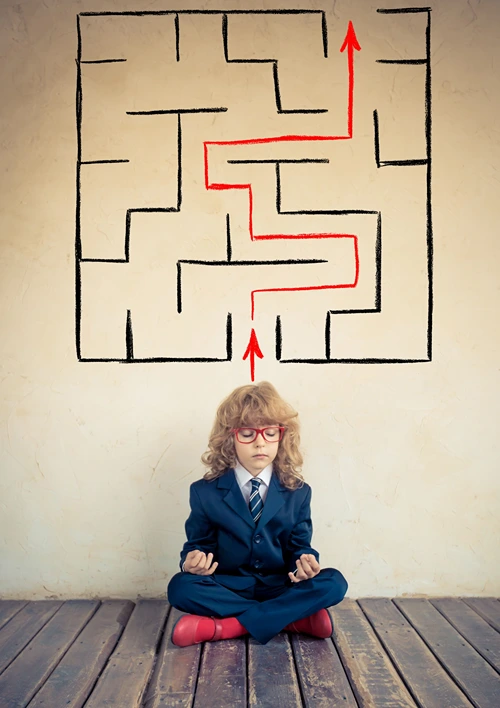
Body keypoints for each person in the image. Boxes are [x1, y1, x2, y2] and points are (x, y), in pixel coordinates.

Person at [167, 381, 348, 646]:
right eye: (248, 433)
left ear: (281, 436)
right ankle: (292, 620)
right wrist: (191, 563)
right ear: (230, 438)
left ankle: (227, 627)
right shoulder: (204, 492)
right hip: (229, 586)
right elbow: (198, 545)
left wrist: (304, 563)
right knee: (180, 587)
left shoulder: (298, 492)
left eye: (270, 432)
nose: (260, 442)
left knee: (334, 582)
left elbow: (299, 547)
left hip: (280, 586)